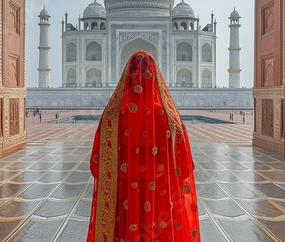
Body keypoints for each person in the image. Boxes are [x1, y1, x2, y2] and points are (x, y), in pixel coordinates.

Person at [86, 51, 201, 241]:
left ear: (128, 78)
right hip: (160, 191)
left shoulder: (113, 117)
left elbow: (97, 165)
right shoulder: (168, 117)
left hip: (124, 193)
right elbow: (185, 166)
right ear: (155, 77)